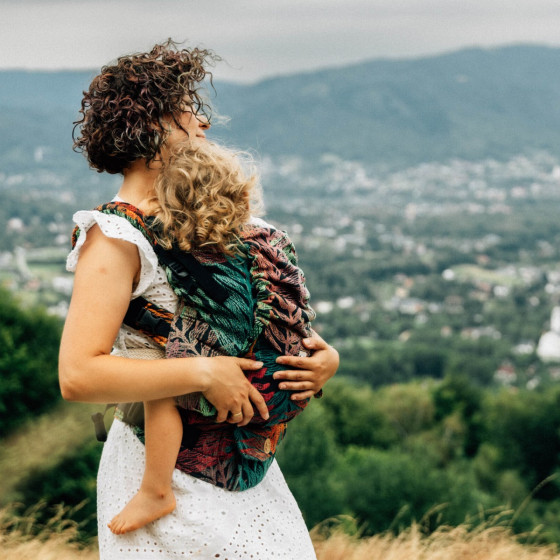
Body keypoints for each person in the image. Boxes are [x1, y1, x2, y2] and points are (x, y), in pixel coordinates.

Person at [59, 40, 339, 560]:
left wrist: (322, 358)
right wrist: (204, 373)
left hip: (246, 469)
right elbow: (79, 375)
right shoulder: (116, 236)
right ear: (153, 127)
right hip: (162, 473)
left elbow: (246, 318)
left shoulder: (209, 217)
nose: (205, 126)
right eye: (190, 113)